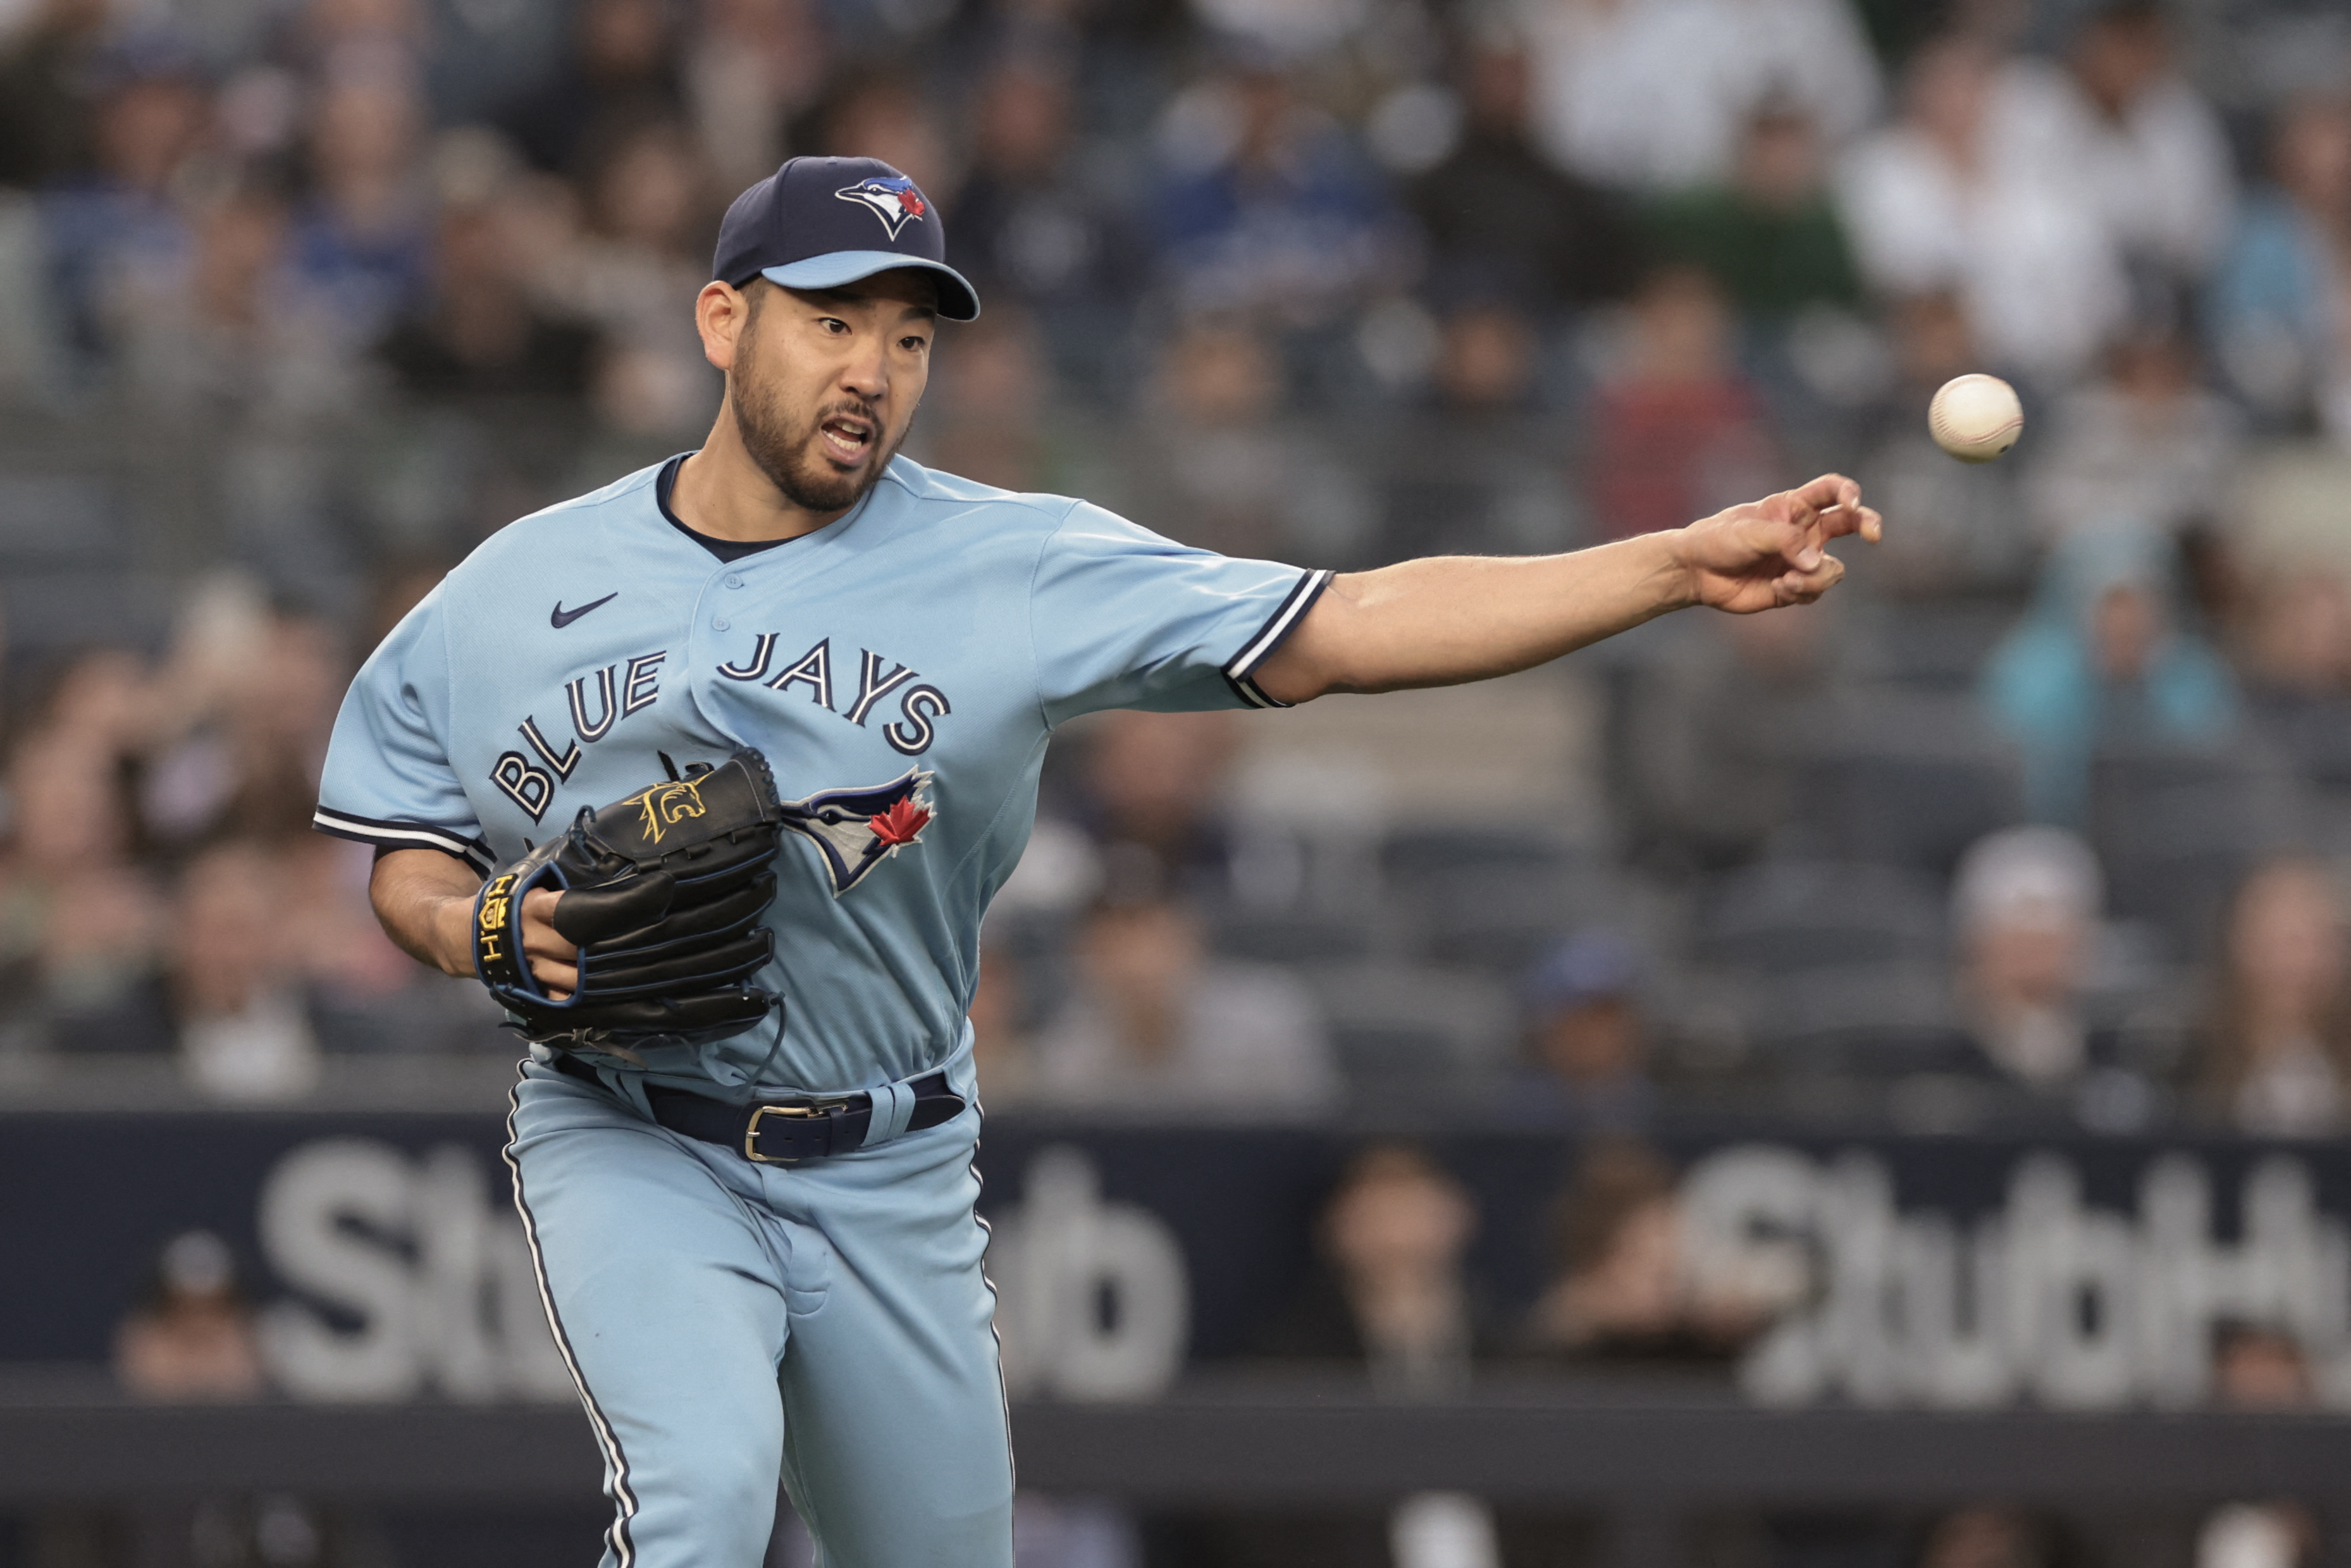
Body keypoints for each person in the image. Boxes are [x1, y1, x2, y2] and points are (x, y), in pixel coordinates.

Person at [313, 152, 1881, 1566]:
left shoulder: (1013, 563)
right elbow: (401, 843)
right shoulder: (519, 587)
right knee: (705, 1503)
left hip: (888, 1165)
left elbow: (1343, 623)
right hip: (630, 1126)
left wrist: (1667, 563)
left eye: (910, 336)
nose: (874, 370)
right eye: (832, 321)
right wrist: (479, 931)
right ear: (723, 322)